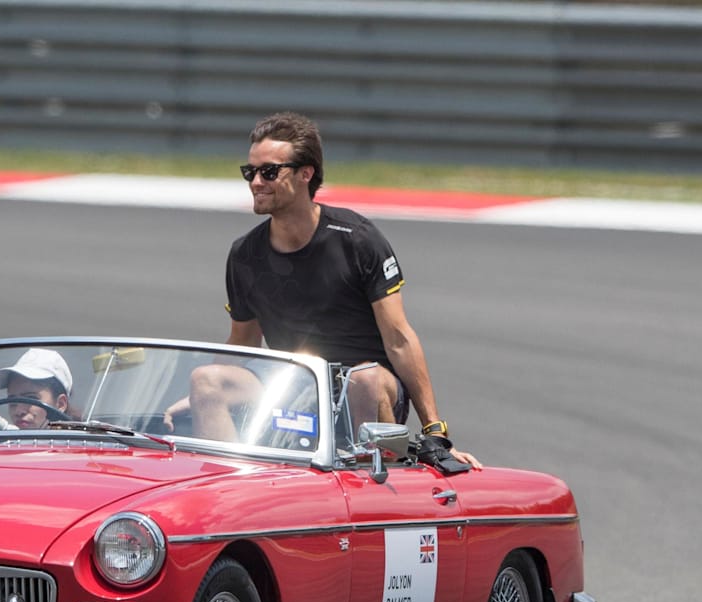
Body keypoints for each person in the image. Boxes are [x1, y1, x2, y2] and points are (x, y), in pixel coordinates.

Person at [175, 111, 479, 470]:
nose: (256, 182)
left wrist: (434, 431)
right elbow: (242, 342)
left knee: (363, 379)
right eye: (250, 172)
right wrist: (195, 397)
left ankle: (368, 480)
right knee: (206, 380)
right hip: (294, 392)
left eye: (269, 172)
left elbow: (398, 338)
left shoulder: (359, 239)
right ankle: (231, 491)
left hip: (368, 388)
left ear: (306, 173)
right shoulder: (244, 254)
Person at [0, 348, 76, 430]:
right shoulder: (9, 443)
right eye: (12, 402)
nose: (18, 411)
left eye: (32, 399)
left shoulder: (79, 449)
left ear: (60, 404)